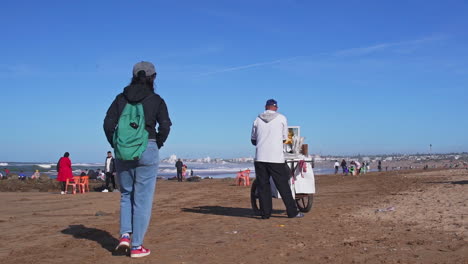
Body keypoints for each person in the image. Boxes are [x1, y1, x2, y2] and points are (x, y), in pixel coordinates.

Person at [104, 61, 172, 258]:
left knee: (126, 195)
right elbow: (165, 126)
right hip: (147, 148)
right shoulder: (156, 99)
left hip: (123, 150)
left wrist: (116, 145)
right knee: (142, 200)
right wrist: (156, 143)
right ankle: (136, 246)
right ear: (154, 77)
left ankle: (125, 235)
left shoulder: (120, 98)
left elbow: (108, 124)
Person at [251, 99, 303, 219]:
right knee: (283, 185)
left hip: (260, 157)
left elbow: (253, 140)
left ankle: (265, 214)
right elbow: (284, 138)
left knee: (263, 186)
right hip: (275, 157)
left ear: (265, 107)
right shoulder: (281, 118)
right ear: (276, 108)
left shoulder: (257, 119)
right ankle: (292, 212)